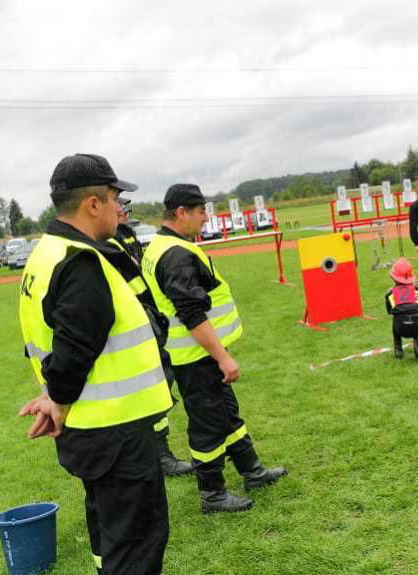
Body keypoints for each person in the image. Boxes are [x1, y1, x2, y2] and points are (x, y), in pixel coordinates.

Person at [18, 153, 173, 574]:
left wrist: (54, 396)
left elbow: (51, 342)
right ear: (92, 204)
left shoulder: (46, 253)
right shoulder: (82, 262)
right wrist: (58, 399)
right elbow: (74, 349)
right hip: (115, 434)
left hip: (91, 431)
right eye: (113, 198)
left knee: (111, 537)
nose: (118, 209)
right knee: (137, 545)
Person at [141, 184, 287, 514]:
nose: (206, 218)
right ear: (181, 213)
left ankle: (252, 472)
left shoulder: (161, 245)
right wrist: (223, 357)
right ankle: (212, 493)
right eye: (200, 211)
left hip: (197, 355)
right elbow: (191, 313)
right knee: (207, 425)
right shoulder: (175, 255)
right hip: (196, 357)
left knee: (228, 414)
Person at [106, 199, 194, 478]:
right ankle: (160, 456)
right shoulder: (107, 241)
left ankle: (158, 453)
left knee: (159, 388)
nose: (124, 211)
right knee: (149, 392)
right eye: (119, 204)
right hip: (134, 324)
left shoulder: (126, 233)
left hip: (147, 319)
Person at [385, 258, 418, 360]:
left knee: (395, 319)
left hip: (401, 328)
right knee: (417, 317)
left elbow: (389, 311)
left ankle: (398, 348)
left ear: (394, 278)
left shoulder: (391, 293)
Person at [112, 197, 144, 263]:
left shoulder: (130, 231)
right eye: (123, 214)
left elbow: (139, 251)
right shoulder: (111, 233)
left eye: (127, 212)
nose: (126, 216)